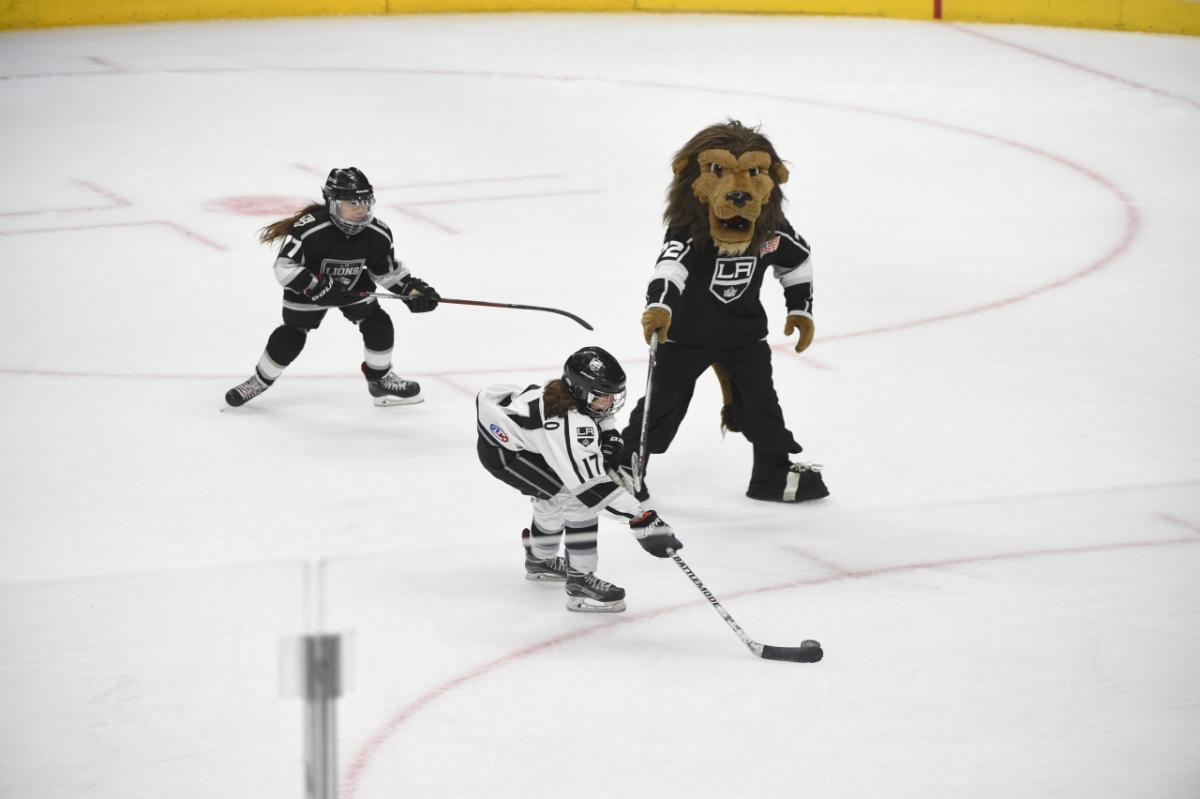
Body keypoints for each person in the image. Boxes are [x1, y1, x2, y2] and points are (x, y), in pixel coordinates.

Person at [617, 121, 829, 503]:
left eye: (753, 173)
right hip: (685, 336)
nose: (738, 191)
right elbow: (670, 267)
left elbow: (797, 262)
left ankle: (771, 473)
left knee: (762, 404)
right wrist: (660, 306)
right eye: (717, 172)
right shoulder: (690, 232)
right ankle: (624, 463)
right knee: (662, 402)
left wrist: (801, 309)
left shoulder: (771, 231)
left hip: (744, 337)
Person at [476, 346, 683, 613]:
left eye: (612, 396)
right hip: (508, 455)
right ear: (580, 391)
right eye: (603, 396)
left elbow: (599, 417)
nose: (609, 403)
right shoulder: (569, 425)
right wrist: (641, 519)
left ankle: (540, 559)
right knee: (576, 500)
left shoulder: (568, 395)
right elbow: (591, 488)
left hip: (514, 441)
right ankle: (580, 582)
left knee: (553, 495)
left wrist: (608, 435)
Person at [225, 167, 440, 408]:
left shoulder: (378, 233)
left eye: (365, 202)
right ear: (332, 203)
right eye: (352, 203)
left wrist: (411, 291)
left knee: (378, 323)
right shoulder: (311, 229)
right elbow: (285, 267)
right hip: (309, 292)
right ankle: (259, 381)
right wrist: (316, 287)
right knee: (291, 335)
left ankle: (380, 379)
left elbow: (385, 270)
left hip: (353, 287)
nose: (360, 209)